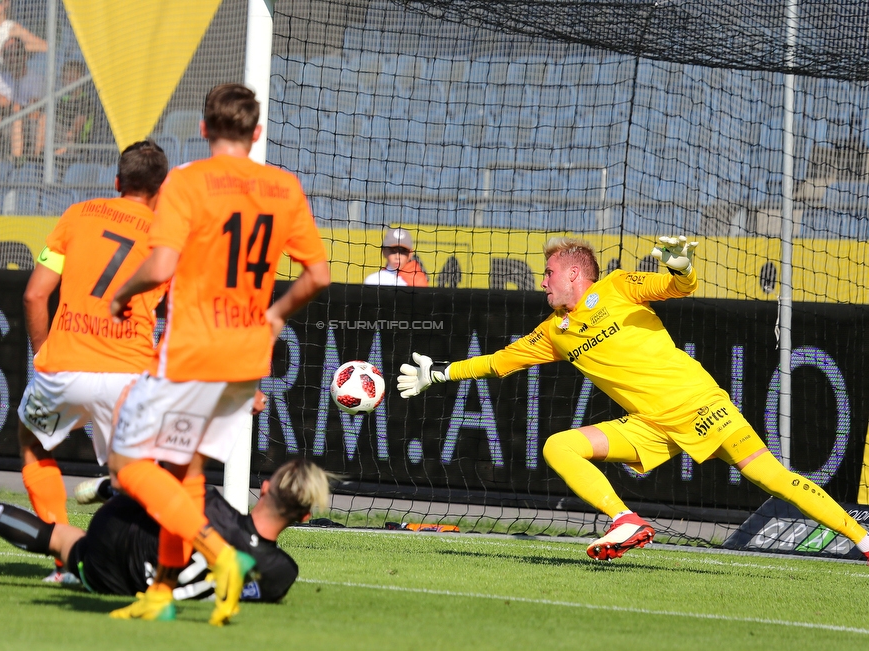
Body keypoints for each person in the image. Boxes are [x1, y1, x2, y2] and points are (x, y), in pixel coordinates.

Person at [397, 235, 869, 562]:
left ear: (577, 274)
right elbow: (498, 361)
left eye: (549, 273)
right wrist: (438, 373)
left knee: (775, 479)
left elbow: (675, 286)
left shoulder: (619, 287)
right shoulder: (555, 333)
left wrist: (680, 266)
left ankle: (863, 538)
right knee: (559, 446)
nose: (542, 281)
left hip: (700, 404)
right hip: (651, 424)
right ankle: (626, 520)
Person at [105, 83, 330, 626]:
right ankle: (162, 590)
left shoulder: (186, 182)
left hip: (192, 350)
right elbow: (318, 274)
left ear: (203, 129)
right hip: (246, 356)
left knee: (126, 463)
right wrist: (276, 317)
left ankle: (220, 554)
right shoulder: (283, 186)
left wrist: (119, 293)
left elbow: (160, 268)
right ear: (256, 133)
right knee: (185, 471)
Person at [16, 140, 168, 582]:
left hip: (64, 368)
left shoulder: (77, 215)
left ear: (117, 182)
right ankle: (150, 567)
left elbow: (34, 294)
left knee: (29, 441)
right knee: (142, 476)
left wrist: (44, 353)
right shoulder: (166, 234)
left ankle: (66, 558)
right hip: (129, 373)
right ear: (159, 191)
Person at [0, 451, 331, 608]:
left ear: (264, 486)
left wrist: (112, 487)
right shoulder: (281, 572)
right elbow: (252, 591)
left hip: (120, 530)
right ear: (305, 517)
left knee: (153, 486)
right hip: (123, 580)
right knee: (64, 543)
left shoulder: (210, 502)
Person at [363, 227, 428, 287]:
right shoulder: (373, 280)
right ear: (384, 252)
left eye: (403, 251)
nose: (397, 257)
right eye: (392, 251)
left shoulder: (418, 280)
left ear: (410, 254)